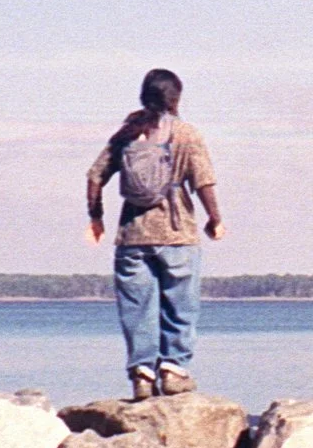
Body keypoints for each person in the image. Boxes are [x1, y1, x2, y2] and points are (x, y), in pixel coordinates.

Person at [86, 68, 223, 398]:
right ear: (176, 98)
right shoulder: (186, 134)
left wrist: (96, 217)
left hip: (133, 235)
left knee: (137, 308)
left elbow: (94, 177)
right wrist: (215, 218)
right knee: (181, 303)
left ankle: (142, 376)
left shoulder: (128, 134)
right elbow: (202, 181)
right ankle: (173, 369)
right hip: (177, 233)